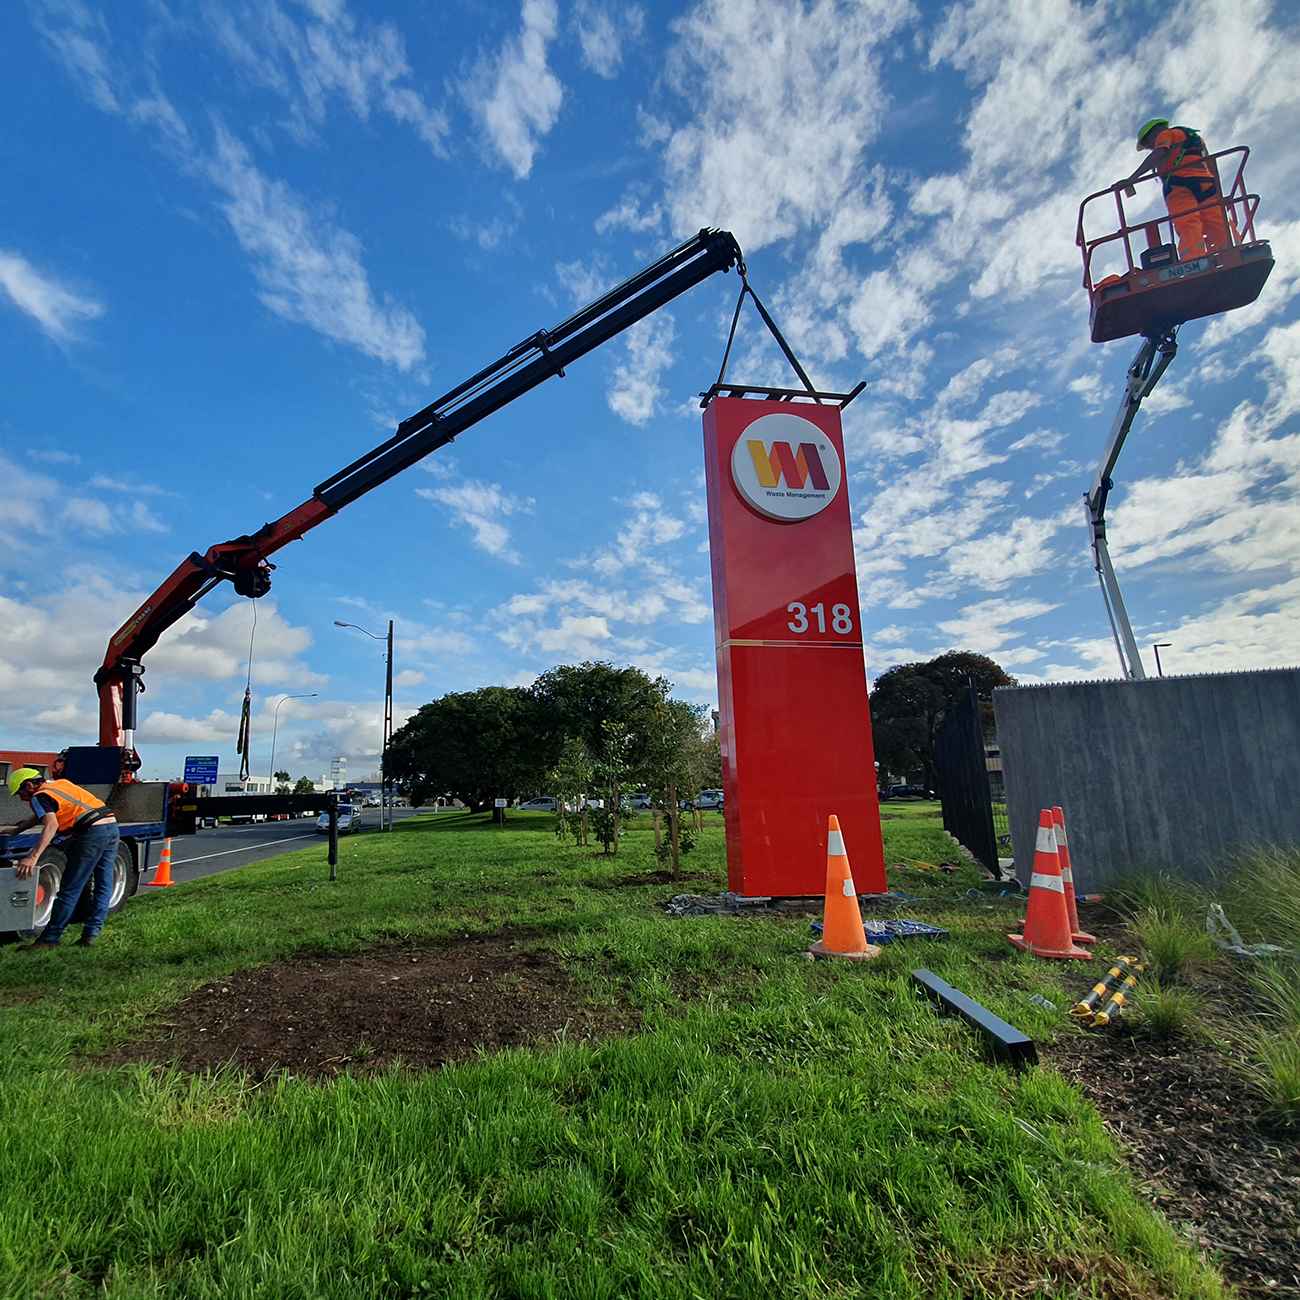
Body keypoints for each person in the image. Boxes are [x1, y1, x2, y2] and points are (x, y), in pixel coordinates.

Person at [3, 766, 119, 949]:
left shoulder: (38, 796)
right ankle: (91, 936)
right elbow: (45, 813)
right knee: (103, 884)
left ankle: (50, 939)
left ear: (29, 785)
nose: (21, 798)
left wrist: (32, 857)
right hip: (111, 826)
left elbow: (51, 824)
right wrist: (18, 829)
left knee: (70, 888)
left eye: (20, 793)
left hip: (92, 833)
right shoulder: (59, 784)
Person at [1125, 117, 1229, 260]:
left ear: (1153, 133)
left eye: (1147, 143)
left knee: (1188, 223)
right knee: (1217, 219)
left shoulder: (1165, 135)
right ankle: (1229, 250)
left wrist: (1132, 179)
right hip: (1206, 184)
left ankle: (1193, 260)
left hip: (1179, 187)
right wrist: (1219, 194)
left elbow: (1160, 152)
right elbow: (1210, 163)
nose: (1149, 147)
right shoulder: (1193, 137)